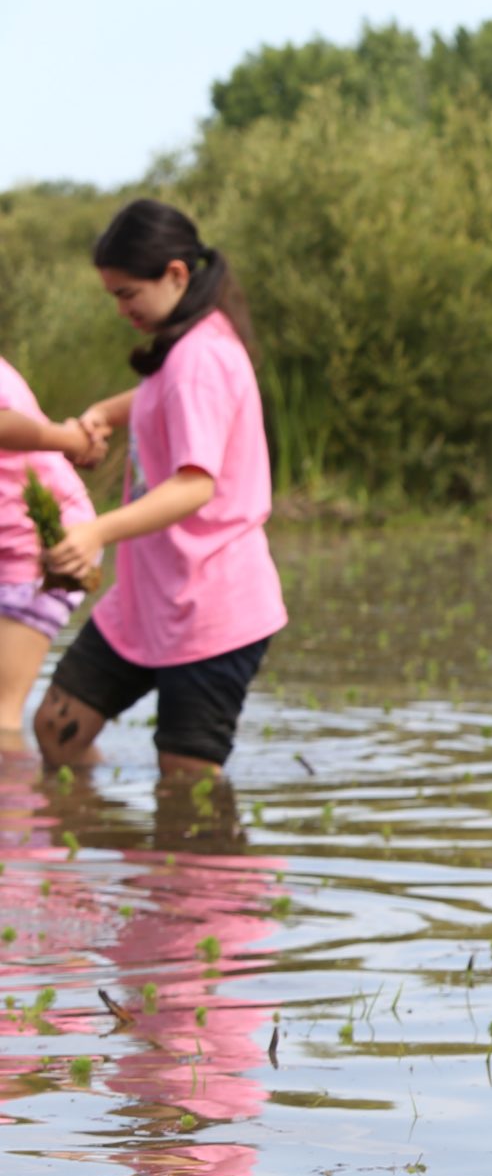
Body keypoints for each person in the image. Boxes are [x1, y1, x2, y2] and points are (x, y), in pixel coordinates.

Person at [38, 199, 286, 781]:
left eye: (128, 294)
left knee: (185, 785)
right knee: (57, 728)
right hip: (149, 599)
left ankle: (186, 871)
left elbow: (195, 486)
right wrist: (105, 412)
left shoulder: (200, 354)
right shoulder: (187, 346)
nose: (122, 308)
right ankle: (96, 839)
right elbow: (162, 394)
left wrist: (95, 528)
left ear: (176, 274)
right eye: (114, 296)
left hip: (211, 609)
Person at [0, 356, 103, 730]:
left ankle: (23, 787)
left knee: (0, 713)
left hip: (37, 547)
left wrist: (69, 439)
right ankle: (76, 783)